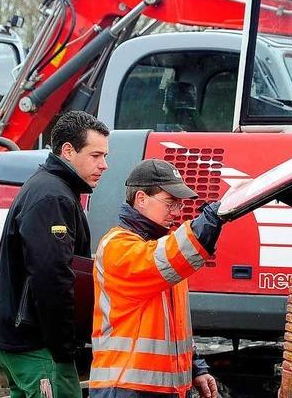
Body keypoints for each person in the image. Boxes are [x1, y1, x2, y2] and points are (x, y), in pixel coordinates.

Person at [0, 111, 110, 398]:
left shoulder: (51, 188)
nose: (104, 165)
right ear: (68, 151)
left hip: (26, 342)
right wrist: (65, 348)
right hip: (38, 347)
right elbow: (52, 278)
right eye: (96, 155)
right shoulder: (53, 197)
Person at [89, 159, 225, 398]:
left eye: (179, 204)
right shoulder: (117, 246)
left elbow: (173, 327)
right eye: (170, 203)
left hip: (152, 389)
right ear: (140, 199)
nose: (177, 212)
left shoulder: (159, 249)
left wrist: (195, 367)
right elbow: (166, 257)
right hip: (126, 389)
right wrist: (210, 221)